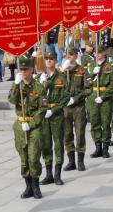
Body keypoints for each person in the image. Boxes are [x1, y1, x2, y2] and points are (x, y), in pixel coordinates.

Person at [8, 56, 44, 199]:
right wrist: (16, 85)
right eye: (21, 69)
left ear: (31, 69)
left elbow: (42, 109)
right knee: (23, 157)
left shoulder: (38, 87)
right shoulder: (18, 85)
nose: (23, 71)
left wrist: (31, 124)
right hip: (19, 125)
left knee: (33, 156)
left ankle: (36, 186)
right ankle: (28, 186)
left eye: (25, 69)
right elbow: (11, 100)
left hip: (33, 126)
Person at [38, 51, 69, 185]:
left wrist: (54, 110)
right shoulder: (40, 78)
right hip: (44, 115)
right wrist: (41, 85)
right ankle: (48, 173)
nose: (49, 61)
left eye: (51, 59)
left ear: (56, 60)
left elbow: (66, 97)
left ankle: (57, 174)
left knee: (58, 144)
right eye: (47, 59)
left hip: (56, 115)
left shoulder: (61, 78)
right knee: (46, 144)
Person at [62, 48, 90, 171]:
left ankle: (80, 161)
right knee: (67, 134)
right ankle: (71, 161)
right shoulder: (62, 71)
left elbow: (88, 89)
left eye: (72, 55)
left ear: (76, 55)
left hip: (78, 107)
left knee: (80, 133)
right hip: (66, 107)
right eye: (68, 55)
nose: (70, 57)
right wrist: (63, 71)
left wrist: (77, 98)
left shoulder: (82, 70)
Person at [86, 47, 113, 159]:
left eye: (100, 52)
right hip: (93, 97)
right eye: (96, 52)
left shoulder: (109, 66)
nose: (98, 54)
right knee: (94, 123)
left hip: (105, 98)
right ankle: (97, 146)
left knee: (105, 123)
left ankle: (105, 148)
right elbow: (86, 82)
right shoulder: (91, 65)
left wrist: (103, 97)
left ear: (104, 53)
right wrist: (93, 75)